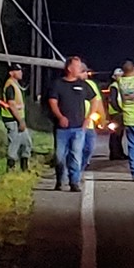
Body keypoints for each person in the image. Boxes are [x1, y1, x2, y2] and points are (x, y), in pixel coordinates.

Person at [47, 56, 98, 192]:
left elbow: (95, 100)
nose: (80, 69)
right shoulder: (58, 84)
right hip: (61, 128)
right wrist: (60, 116)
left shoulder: (83, 85)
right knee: (59, 156)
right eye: (77, 66)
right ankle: (59, 180)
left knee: (76, 155)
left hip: (78, 127)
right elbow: (52, 102)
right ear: (69, 68)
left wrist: (88, 118)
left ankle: (74, 182)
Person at [0, 63, 32, 172]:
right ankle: (11, 168)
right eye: (18, 70)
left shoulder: (15, 85)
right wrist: (20, 121)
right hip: (13, 120)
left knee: (26, 143)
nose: (21, 72)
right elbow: (12, 105)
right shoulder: (10, 86)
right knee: (14, 144)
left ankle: (24, 167)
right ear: (11, 73)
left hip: (17, 119)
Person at [79, 63, 104, 170]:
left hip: (89, 123)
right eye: (83, 71)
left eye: (86, 71)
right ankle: (75, 172)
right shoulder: (68, 84)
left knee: (89, 148)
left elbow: (97, 101)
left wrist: (102, 118)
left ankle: (81, 166)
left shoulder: (90, 84)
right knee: (76, 149)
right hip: (75, 123)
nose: (86, 74)